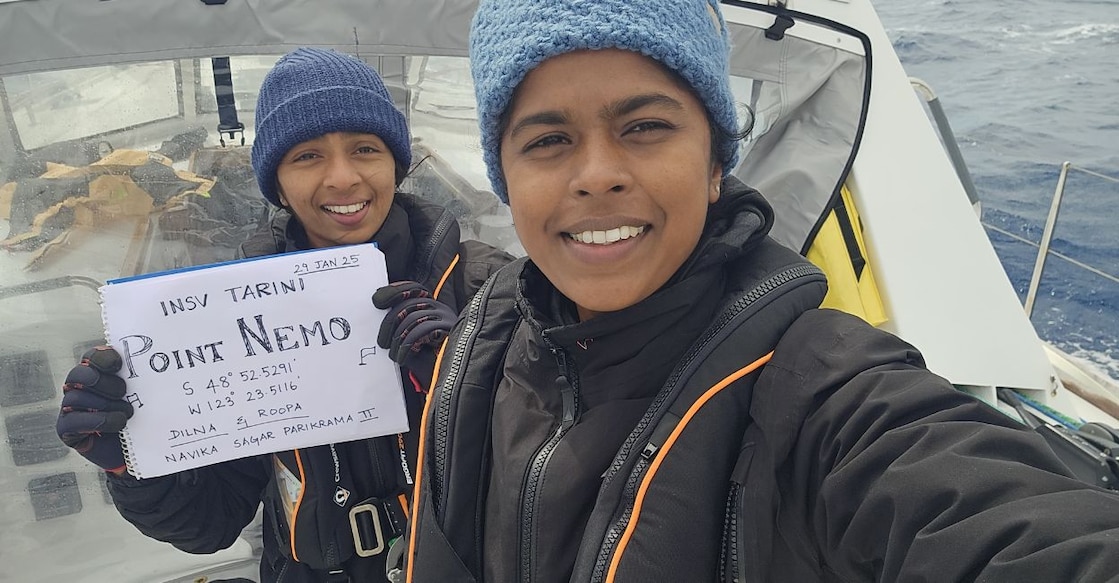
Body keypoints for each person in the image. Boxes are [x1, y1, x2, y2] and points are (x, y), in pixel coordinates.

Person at [402, 1, 1119, 582]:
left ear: (716, 164)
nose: (596, 174)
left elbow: (1001, 524)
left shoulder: (830, 397)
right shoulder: (488, 335)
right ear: (504, 177)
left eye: (644, 126)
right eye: (547, 141)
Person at [55, 47, 513, 583]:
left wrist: (466, 380)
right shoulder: (232, 317)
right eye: (307, 156)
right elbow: (210, 526)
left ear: (396, 163)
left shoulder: (489, 288)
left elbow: (562, 472)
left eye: (365, 148)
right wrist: (132, 461)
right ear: (277, 184)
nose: (343, 178)